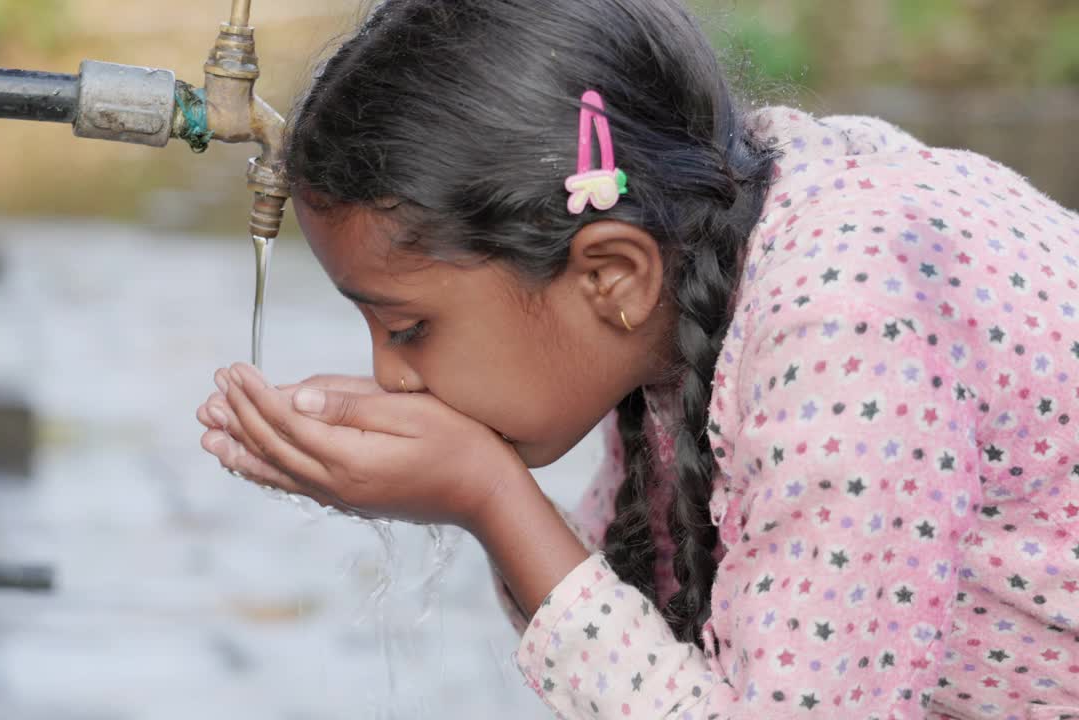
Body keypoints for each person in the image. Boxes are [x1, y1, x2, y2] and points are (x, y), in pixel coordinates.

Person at [195, 0, 1079, 716]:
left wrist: (491, 498)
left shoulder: (851, 323)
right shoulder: (706, 235)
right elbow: (648, 637)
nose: (390, 375)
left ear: (611, 274)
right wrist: (479, 493)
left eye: (409, 328)